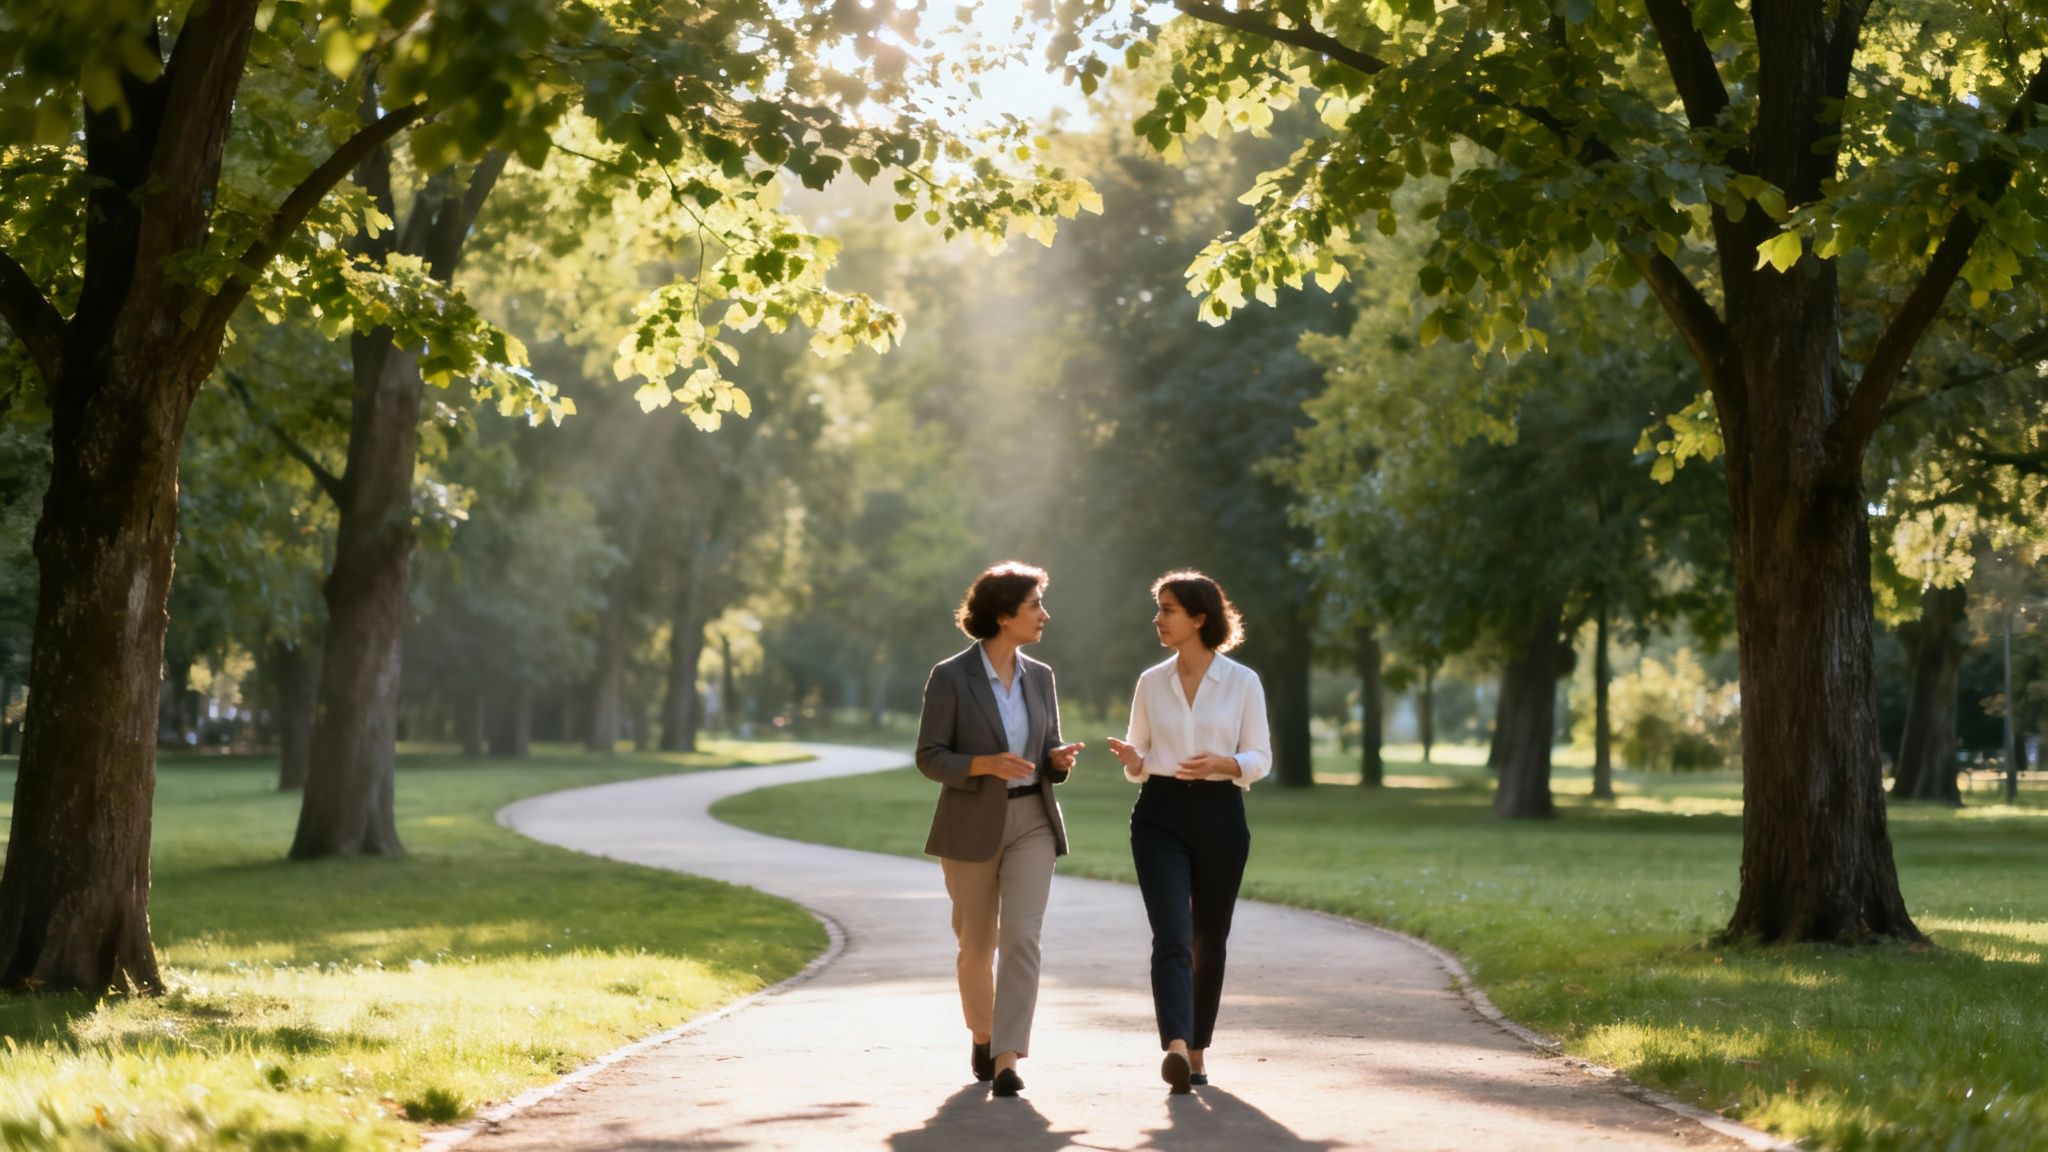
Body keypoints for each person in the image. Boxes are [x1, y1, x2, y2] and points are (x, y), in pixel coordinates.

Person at [916, 561, 1084, 1098]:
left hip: (1033, 818)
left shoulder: (1041, 676)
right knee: (975, 945)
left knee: (1022, 936)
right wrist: (984, 764)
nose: (1044, 615)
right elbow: (929, 756)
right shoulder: (950, 676)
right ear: (1005, 614)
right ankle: (984, 1033)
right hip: (970, 824)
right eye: (1035, 605)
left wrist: (1057, 759)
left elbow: (1045, 748)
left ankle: (1008, 1056)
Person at [1106, 570, 1270, 1094]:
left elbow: (1260, 758)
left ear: (1199, 618)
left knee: (1208, 937)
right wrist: (1135, 759)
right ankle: (1175, 1045)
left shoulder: (1242, 682)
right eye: (1159, 608)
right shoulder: (1151, 682)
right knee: (1172, 934)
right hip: (1160, 814)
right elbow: (1141, 753)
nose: (1158, 619)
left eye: (1168, 609)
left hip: (1221, 816)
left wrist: (1225, 764)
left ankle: (1198, 1050)